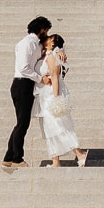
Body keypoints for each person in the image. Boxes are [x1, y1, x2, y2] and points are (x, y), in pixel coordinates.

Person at [33, 33, 88, 168]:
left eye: (48, 38)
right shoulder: (43, 55)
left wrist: (56, 99)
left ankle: (80, 153)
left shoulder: (52, 57)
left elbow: (55, 78)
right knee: (48, 129)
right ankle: (55, 161)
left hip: (51, 95)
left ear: (52, 43)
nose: (44, 39)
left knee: (59, 126)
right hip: (43, 96)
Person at [3, 16, 51, 167]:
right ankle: (17, 158)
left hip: (26, 85)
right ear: (42, 29)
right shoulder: (27, 43)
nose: (47, 33)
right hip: (22, 84)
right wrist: (40, 78)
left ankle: (8, 158)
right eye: (46, 30)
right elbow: (23, 67)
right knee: (22, 123)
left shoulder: (35, 44)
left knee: (22, 123)